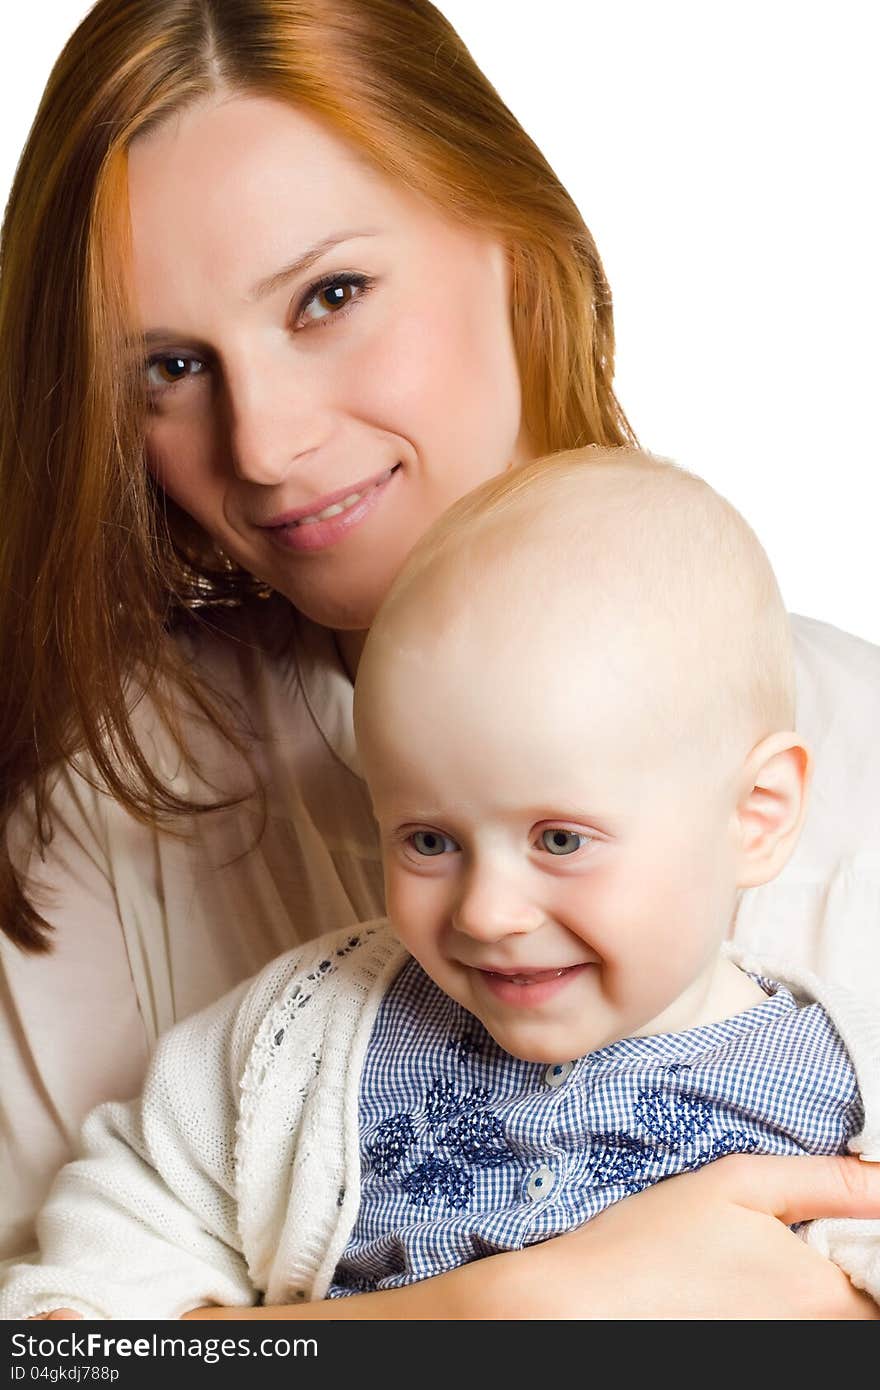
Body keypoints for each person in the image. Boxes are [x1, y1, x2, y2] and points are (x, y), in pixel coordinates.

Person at [1, 0, 879, 1318]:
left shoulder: (858, 755)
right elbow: (62, 1336)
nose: (267, 443)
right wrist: (487, 1317)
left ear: (515, 247)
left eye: (329, 297)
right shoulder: (95, 810)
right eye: (171, 367)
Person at [4, 449, 879, 1322]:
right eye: (429, 839)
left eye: (561, 839)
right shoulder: (298, 1042)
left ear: (756, 816)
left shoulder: (843, 1091)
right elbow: (80, 1316)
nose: (488, 913)